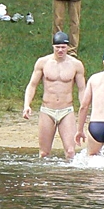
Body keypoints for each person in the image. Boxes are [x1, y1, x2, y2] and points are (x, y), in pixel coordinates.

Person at [22, 31, 86, 160]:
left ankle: (67, 179)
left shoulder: (76, 64)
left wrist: (83, 108)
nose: (60, 50)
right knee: (44, 153)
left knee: (70, 152)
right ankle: (45, 179)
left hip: (66, 110)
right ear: (53, 47)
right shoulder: (43, 62)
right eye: (58, 47)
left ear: (68, 47)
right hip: (47, 110)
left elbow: (82, 89)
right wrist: (27, 105)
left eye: (63, 47)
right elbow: (32, 85)